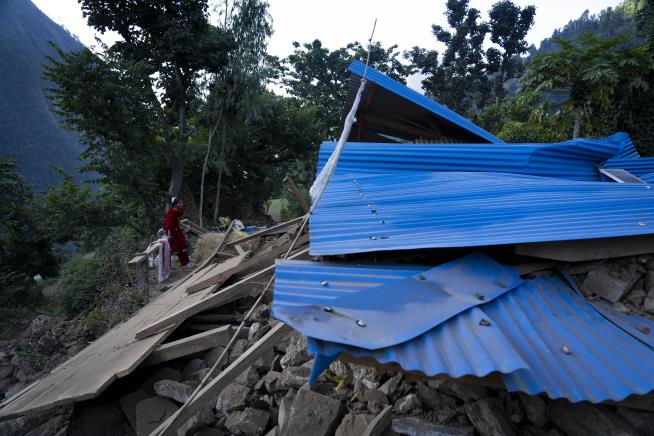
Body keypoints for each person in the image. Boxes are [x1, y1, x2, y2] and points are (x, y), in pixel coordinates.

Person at [163, 196, 193, 268]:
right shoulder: (172, 212)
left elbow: (177, 221)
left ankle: (187, 261)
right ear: (175, 204)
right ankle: (184, 263)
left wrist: (180, 227)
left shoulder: (177, 211)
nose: (182, 204)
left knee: (183, 244)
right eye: (180, 203)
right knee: (180, 247)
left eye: (182, 202)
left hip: (177, 230)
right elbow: (169, 224)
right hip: (173, 232)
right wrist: (169, 235)